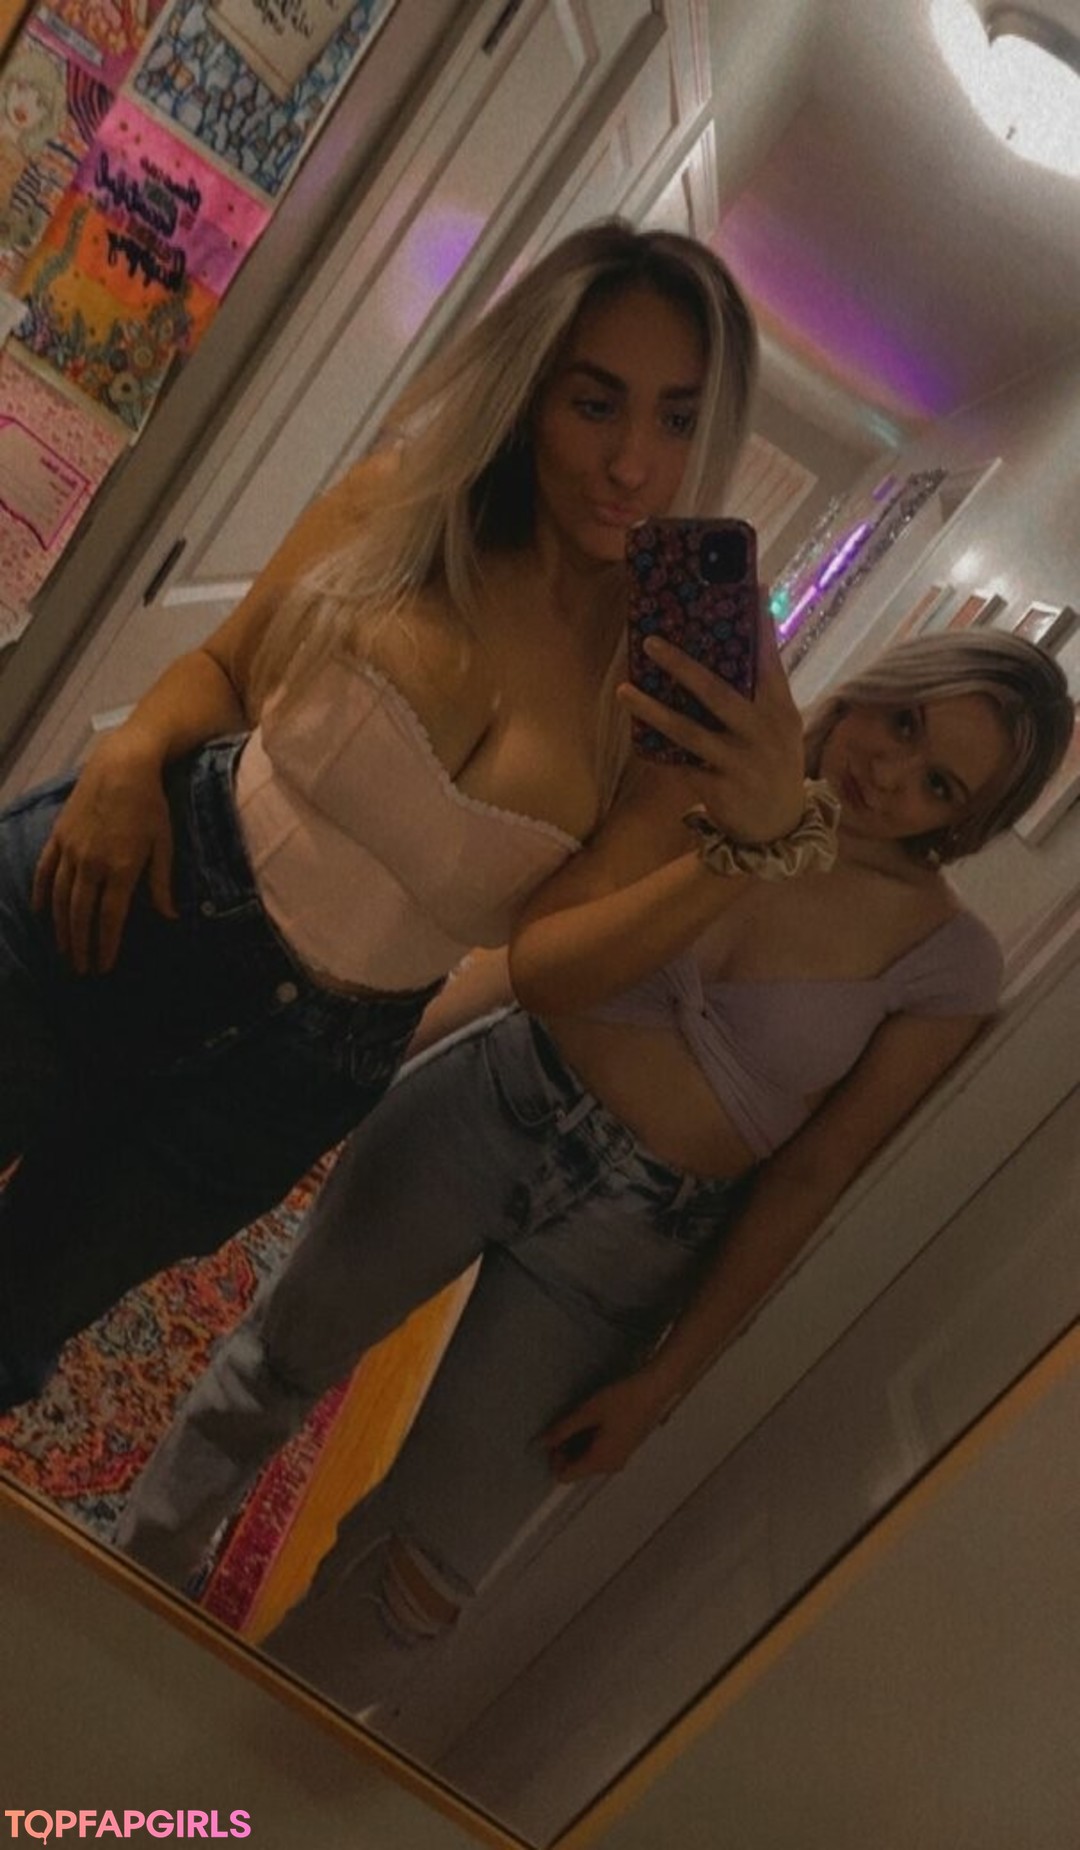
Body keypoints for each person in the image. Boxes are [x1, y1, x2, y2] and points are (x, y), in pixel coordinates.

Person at [114, 628, 1073, 1721]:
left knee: (422, 1573)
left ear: (966, 819)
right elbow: (532, 956)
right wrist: (356, 1075)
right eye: (903, 724)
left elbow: (814, 1176)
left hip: (632, 1247)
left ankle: (236, 1755)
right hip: (494, 1095)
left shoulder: (951, 965)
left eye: (941, 782)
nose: (892, 775)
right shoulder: (712, 772)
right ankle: (115, 1603)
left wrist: (669, 1378)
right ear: (877, 692)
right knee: (273, 1366)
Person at [0, 218, 761, 1409]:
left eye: (678, 419)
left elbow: (548, 965)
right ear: (532, 388)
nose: (632, 464)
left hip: (290, 1072)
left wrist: (751, 845)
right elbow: (225, 668)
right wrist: (130, 752)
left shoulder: (659, 688)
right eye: (595, 402)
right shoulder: (402, 501)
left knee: (16, 1313)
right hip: (127, 888)